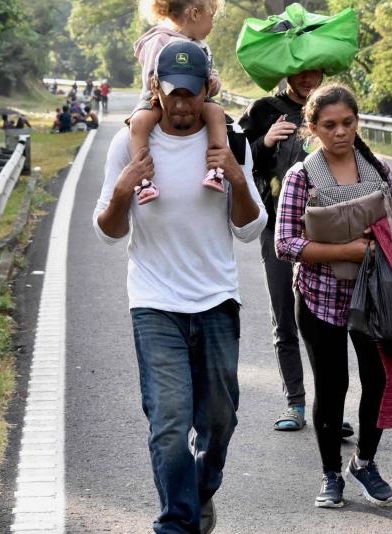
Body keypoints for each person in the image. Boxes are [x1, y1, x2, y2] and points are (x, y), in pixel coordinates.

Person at [92, 40, 267, 533]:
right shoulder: (128, 144)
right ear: (156, 89)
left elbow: (250, 229)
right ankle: (177, 522)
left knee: (218, 421)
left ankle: (199, 490)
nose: (184, 105)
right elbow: (107, 232)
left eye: (192, 94)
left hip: (216, 300)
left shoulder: (229, 143)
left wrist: (235, 177)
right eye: (174, 95)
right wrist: (124, 191)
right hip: (154, 303)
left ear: (207, 89)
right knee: (169, 426)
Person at [275, 83, 392, 508]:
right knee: (331, 388)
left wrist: (385, 236)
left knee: (379, 382)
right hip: (318, 298)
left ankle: (365, 462)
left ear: (357, 122)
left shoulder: (378, 169)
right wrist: (346, 250)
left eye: (347, 123)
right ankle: (331, 474)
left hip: (374, 298)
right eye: (329, 125)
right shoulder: (302, 176)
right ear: (311, 128)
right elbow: (285, 243)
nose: (340, 133)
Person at [240, 70, 351, 438]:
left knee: (327, 324)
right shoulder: (264, 111)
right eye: (301, 72)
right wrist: (264, 142)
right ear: (287, 69)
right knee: (285, 319)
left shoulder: (332, 110)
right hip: (278, 231)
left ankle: (328, 408)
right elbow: (235, 162)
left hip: (327, 232)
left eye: (315, 72)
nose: (309, 79)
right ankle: (295, 403)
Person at [129, 0, 229, 205]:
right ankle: (143, 181)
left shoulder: (201, 46)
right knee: (139, 123)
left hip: (198, 98)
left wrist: (212, 83)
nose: (212, 24)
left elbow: (211, 77)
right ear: (195, 14)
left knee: (217, 113)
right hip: (158, 99)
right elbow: (150, 80)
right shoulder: (159, 40)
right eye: (212, 17)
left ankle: (216, 170)